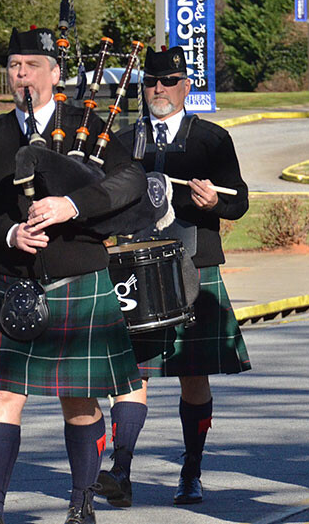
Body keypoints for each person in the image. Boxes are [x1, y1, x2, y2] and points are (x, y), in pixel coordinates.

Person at [0, 27, 147, 524]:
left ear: (55, 74)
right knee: (2, 394)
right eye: (15, 66)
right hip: (12, 281)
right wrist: (10, 232)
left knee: (78, 399)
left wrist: (71, 204)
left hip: (76, 278)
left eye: (33, 66)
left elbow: (130, 181)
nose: (22, 76)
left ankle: (81, 502)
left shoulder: (86, 124)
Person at [93, 46, 251, 507]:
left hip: (193, 266)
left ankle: (192, 472)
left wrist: (214, 206)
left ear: (186, 87)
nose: (158, 90)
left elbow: (238, 201)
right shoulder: (123, 141)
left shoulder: (212, 140)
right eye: (150, 83)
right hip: (134, 268)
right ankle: (120, 471)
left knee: (193, 376)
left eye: (168, 82)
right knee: (130, 375)